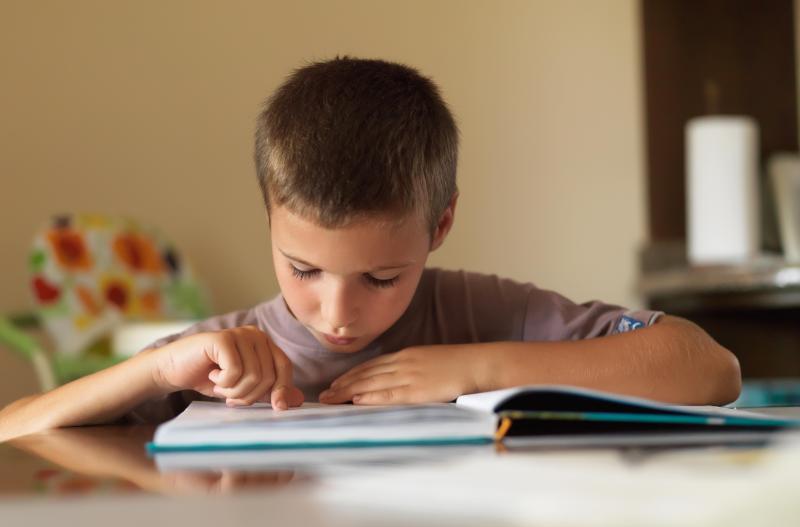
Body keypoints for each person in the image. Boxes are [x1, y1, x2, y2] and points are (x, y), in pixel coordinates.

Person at [0, 57, 741, 441]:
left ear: (440, 226)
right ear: (269, 220)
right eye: (303, 269)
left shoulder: (476, 310)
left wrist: (474, 366)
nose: (338, 312)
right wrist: (160, 365)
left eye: (382, 276)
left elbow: (710, 368)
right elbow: (13, 428)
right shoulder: (227, 352)